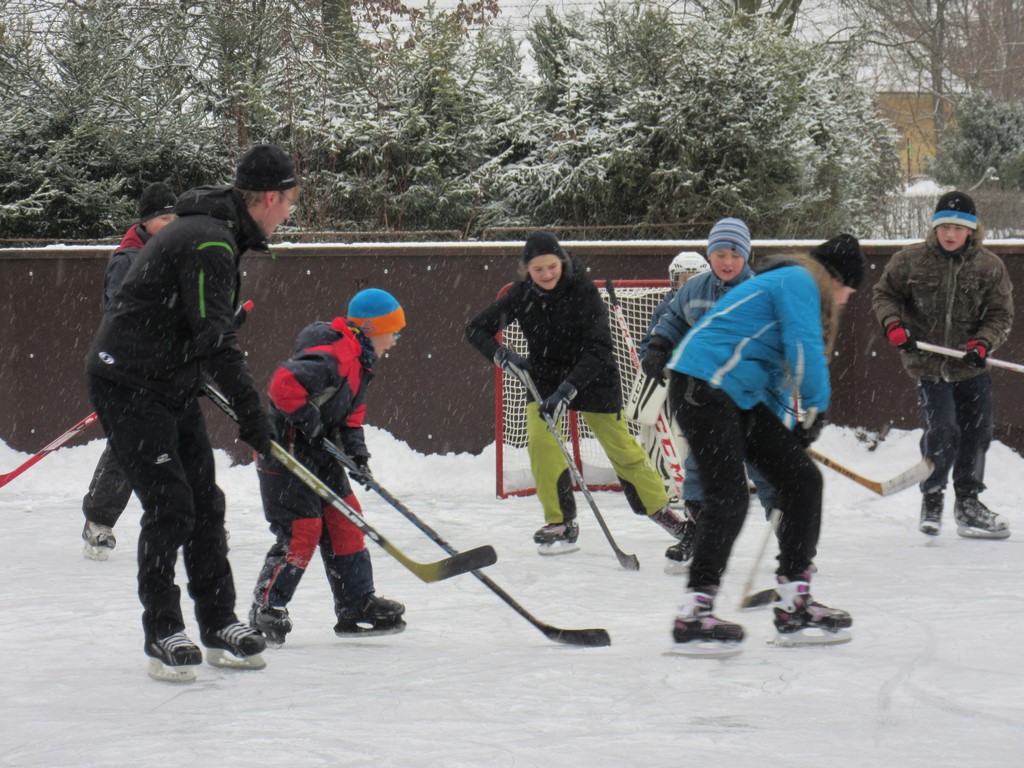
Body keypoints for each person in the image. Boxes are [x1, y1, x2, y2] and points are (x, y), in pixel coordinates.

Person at [85, 144, 298, 681]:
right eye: (290, 201)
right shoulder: (209, 239)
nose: (290, 212)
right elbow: (216, 340)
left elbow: (200, 323)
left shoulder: (218, 232)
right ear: (267, 198)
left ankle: (218, 623)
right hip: (128, 382)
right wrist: (252, 413)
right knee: (171, 505)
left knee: (206, 502)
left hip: (169, 379)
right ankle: (162, 631)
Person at [666, 239, 865, 654]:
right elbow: (804, 347)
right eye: (848, 290)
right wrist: (816, 407)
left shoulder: (789, 284)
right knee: (728, 497)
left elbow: (772, 375)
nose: (845, 301)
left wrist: (792, 430)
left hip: (736, 395)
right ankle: (693, 613)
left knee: (802, 479)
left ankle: (794, 602)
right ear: (835, 279)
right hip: (703, 385)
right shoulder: (798, 281)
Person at [465, 230, 687, 554]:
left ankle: (663, 512)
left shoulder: (582, 290)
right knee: (541, 444)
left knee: (621, 448)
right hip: (544, 378)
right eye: (538, 269)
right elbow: (475, 329)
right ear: (527, 270)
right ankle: (561, 522)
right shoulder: (520, 295)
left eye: (551, 266)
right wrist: (501, 355)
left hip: (593, 375)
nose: (546, 274)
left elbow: (599, 348)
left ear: (562, 262)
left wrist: (568, 389)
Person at [250, 289, 408, 646]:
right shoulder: (335, 355)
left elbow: (351, 418)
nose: (394, 342)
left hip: (319, 455)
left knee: (346, 520)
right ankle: (267, 607)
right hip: (287, 455)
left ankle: (356, 604)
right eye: (393, 333)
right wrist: (310, 422)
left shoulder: (362, 364)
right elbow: (283, 385)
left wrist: (358, 456)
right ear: (371, 329)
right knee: (302, 531)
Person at [873, 191, 1013, 539]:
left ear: (971, 231)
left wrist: (983, 343)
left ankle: (968, 503)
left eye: (958, 228)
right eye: (944, 227)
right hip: (928, 366)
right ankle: (932, 496)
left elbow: (1000, 314)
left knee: (977, 434)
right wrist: (894, 325)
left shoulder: (989, 266)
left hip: (971, 367)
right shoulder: (910, 260)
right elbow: (884, 294)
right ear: (935, 228)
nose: (950, 234)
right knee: (943, 431)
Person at [641, 219, 775, 567]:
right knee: (700, 468)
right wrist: (659, 345)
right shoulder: (694, 289)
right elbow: (673, 319)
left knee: (766, 472)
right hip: (704, 398)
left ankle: (793, 542)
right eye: (720, 254)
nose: (727, 262)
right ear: (709, 255)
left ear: (747, 256)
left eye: (735, 255)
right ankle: (700, 538)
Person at [81, 182, 178, 560]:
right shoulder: (128, 259)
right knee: (129, 444)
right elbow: (120, 314)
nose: (171, 225)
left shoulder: (175, 255)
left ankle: (196, 519)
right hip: (129, 368)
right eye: (164, 218)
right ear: (147, 221)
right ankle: (98, 521)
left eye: (176, 218)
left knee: (183, 443)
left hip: (170, 370)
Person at [633, 251, 708, 502]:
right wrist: (652, 359)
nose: (688, 285)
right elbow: (650, 342)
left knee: (696, 435)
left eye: (694, 279)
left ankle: (701, 484)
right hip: (669, 384)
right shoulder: (666, 309)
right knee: (662, 432)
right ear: (673, 281)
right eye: (683, 279)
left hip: (700, 384)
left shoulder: (710, 307)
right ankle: (665, 481)